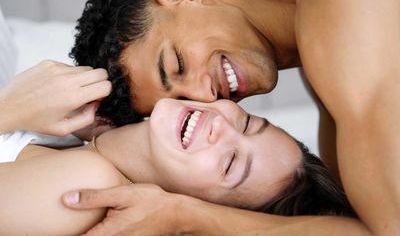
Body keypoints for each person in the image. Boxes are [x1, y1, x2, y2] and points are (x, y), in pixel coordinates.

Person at [64, 0, 400, 235]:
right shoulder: (323, 59)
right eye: (182, 100)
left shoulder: (344, 7)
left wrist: (185, 217)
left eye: (178, 65)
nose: (207, 96)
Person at [0, 66, 354, 235]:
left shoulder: (91, 186)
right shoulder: (83, 136)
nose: (223, 127)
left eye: (230, 163)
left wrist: (10, 110)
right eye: (247, 122)